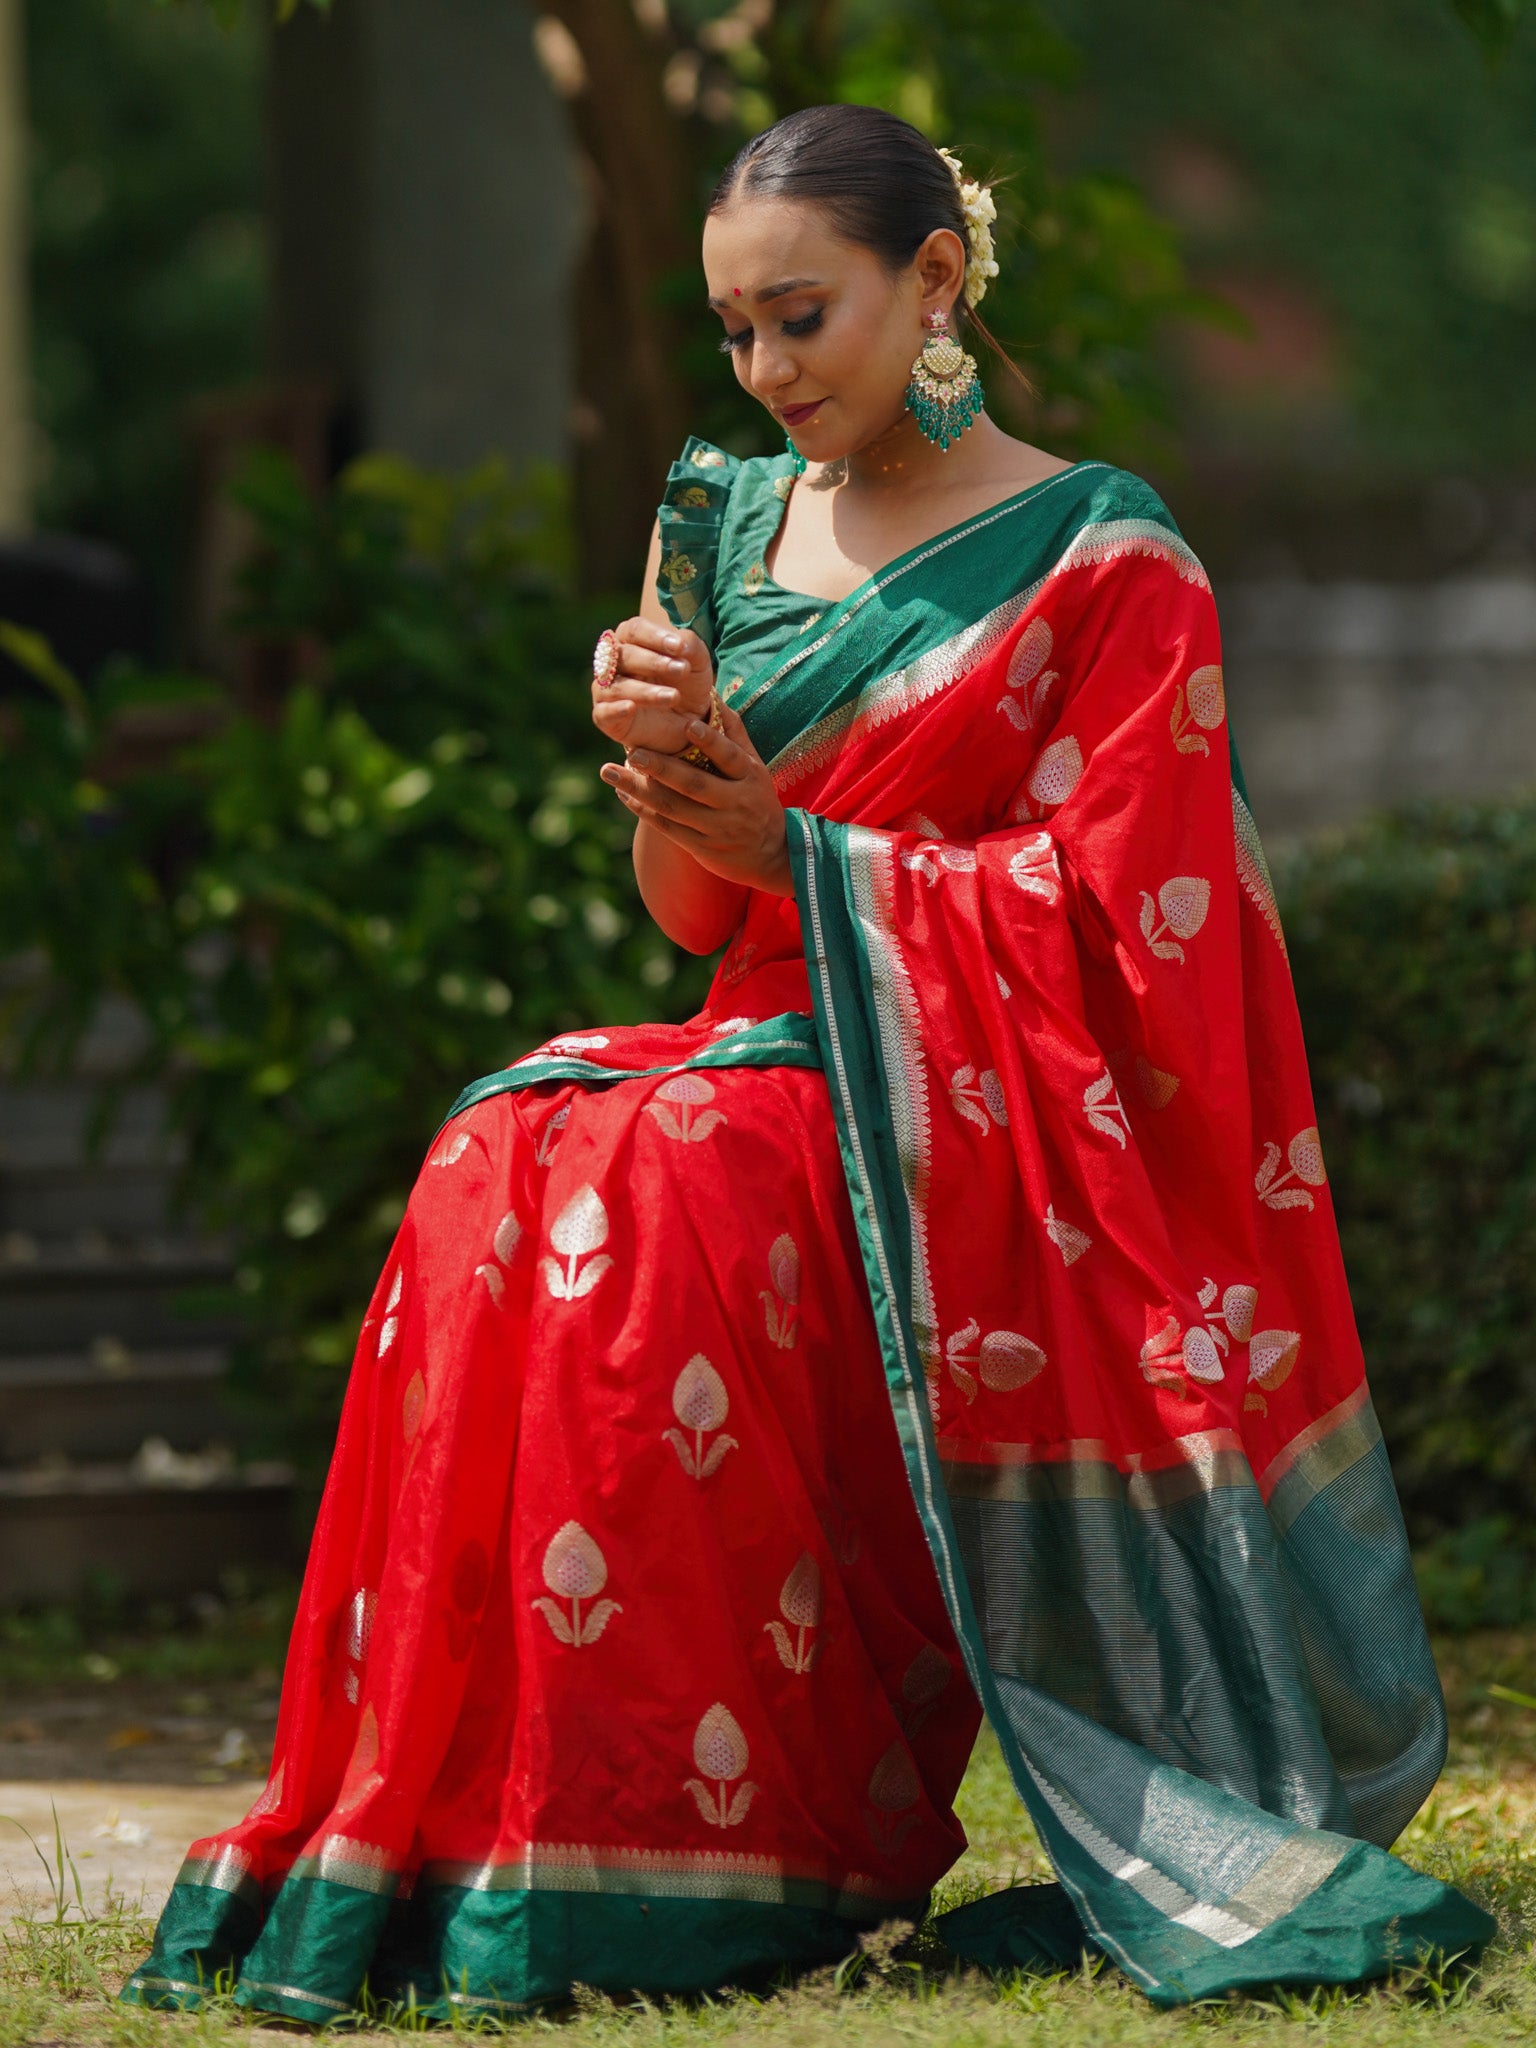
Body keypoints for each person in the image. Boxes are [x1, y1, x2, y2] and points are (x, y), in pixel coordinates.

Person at [124, 104, 1490, 2022]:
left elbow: (1136, 940)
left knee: (669, 1158)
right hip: (761, 1026)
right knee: (499, 1148)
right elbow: (688, 914)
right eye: (737, 334)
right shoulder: (724, 517)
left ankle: (760, 1837)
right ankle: (485, 1826)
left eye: (803, 320)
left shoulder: (1106, 565)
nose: (766, 374)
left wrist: (808, 860)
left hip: (964, 1100)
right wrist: (678, 765)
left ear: (934, 279)